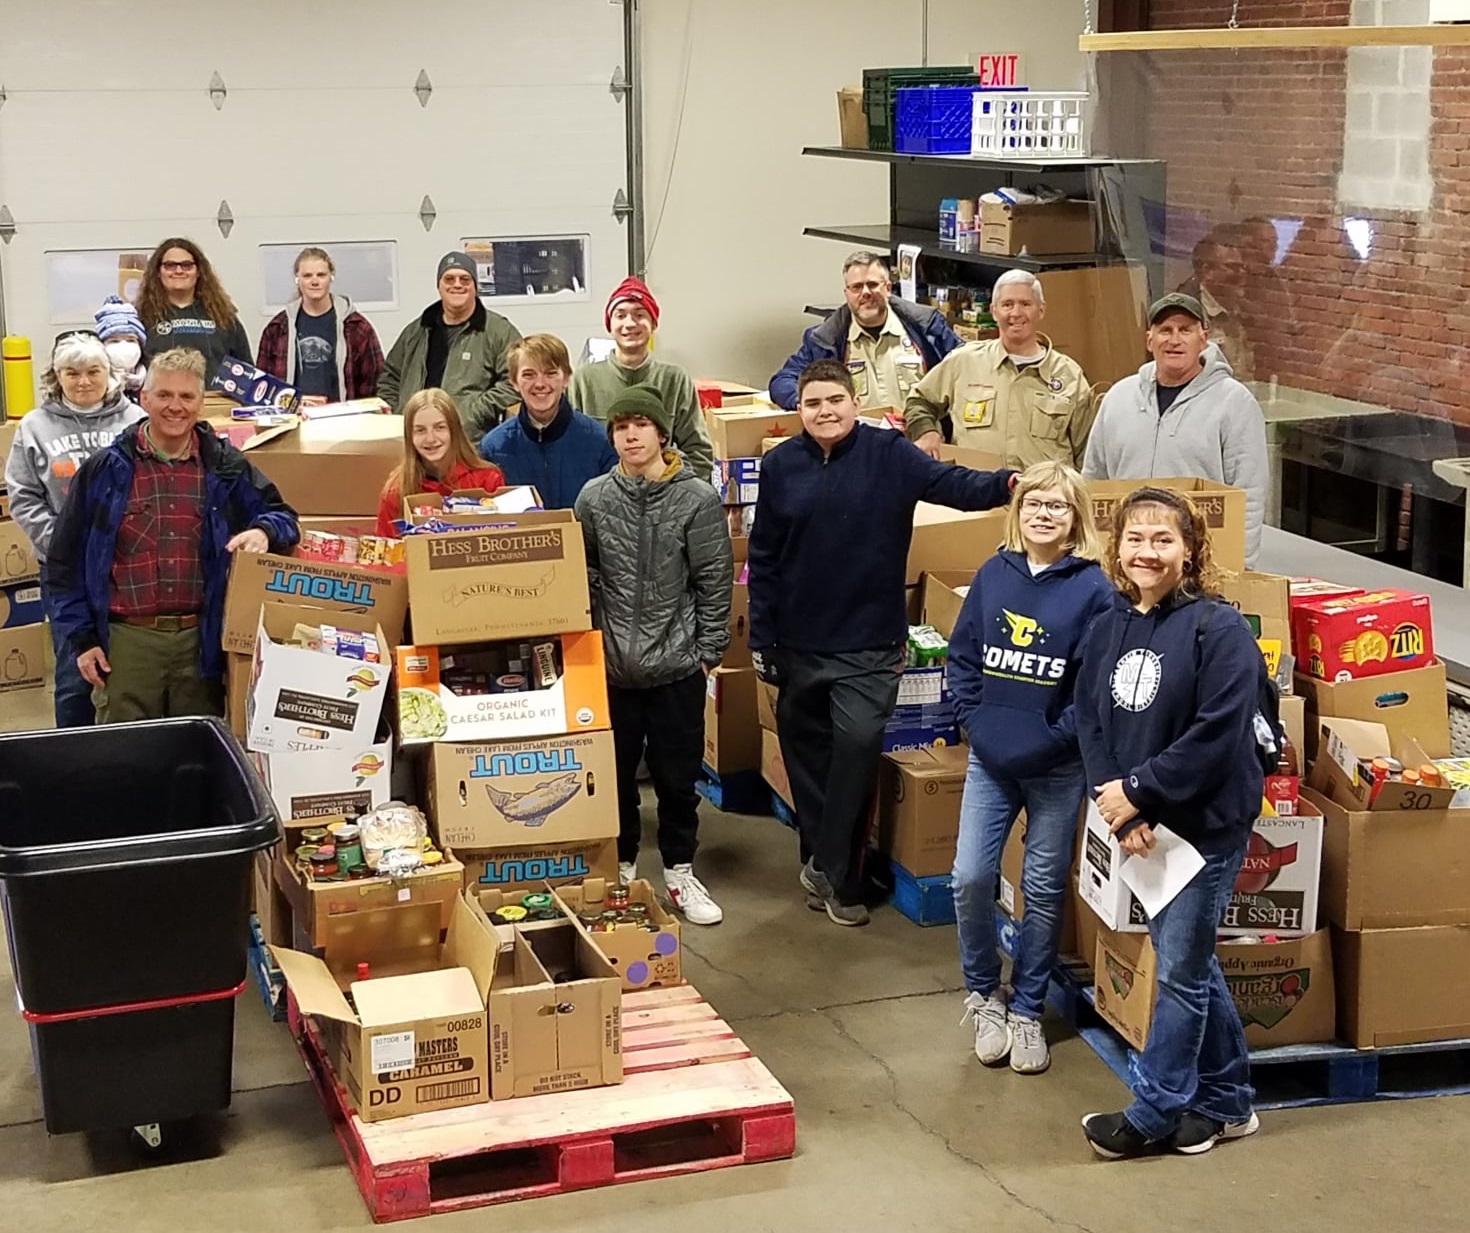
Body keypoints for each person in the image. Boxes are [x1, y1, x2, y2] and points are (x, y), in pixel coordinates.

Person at [747, 359, 1016, 927]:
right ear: (799, 411)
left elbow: (953, 485)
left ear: (854, 402)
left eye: (834, 401)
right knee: (808, 761)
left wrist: (1007, 485)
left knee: (856, 752)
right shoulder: (780, 466)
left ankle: (830, 870)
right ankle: (835, 876)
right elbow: (765, 555)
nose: (825, 412)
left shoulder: (889, 455)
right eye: (813, 404)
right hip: (798, 641)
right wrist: (763, 636)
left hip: (869, 643)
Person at [1075, 486, 1266, 1159]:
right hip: (1143, 827)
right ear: (1116, 548)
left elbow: (1217, 734)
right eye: (1136, 538)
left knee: (1181, 970)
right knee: (1193, 962)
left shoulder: (1222, 628)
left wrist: (1140, 793)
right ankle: (1229, 1102)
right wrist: (1118, 806)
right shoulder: (1108, 625)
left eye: (1163, 540)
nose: (1147, 552)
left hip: (1204, 827)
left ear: (1190, 550)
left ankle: (1155, 1110)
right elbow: (1091, 720)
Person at [946, 460, 1113, 1074]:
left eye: (1059, 506)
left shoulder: (1095, 589)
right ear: (1019, 512)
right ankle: (984, 994)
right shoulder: (995, 573)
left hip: (1056, 766)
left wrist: (1051, 738)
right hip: (991, 760)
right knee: (969, 877)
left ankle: (1027, 1007)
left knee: (1042, 888)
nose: (1045, 514)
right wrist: (978, 725)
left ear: (1077, 518)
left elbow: (1093, 690)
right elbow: (962, 660)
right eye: (1036, 503)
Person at [47, 348, 299, 723]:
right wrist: (82, 640)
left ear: (201, 403)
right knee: (127, 761)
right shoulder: (106, 471)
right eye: (164, 395)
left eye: (186, 396)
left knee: (194, 762)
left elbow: (284, 517)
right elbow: (62, 565)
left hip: (200, 643)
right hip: (127, 645)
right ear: (144, 398)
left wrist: (263, 531)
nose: (175, 407)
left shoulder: (224, 467)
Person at [575, 386, 732, 925]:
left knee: (676, 780)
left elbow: (714, 582)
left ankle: (680, 872)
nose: (631, 435)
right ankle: (618, 867)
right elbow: (585, 576)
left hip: (676, 669)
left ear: (662, 433)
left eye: (641, 424)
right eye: (621, 427)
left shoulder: (696, 499)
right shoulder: (593, 498)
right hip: (613, 670)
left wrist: (707, 652)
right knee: (613, 777)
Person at [4, 332, 145, 728]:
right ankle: (73, 751)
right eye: (72, 373)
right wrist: (61, 543)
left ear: (109, 374)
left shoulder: (134, 421)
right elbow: (24, 496)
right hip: (64, 570)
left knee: (131, 665)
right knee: (74, 669)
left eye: (93, 372)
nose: (83, 382)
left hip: (126, 566)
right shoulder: (34, 426)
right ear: (56, 376)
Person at [1083, 293, 1269, 567]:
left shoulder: (1234, 402)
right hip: (1125, 562)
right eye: (1165, 330)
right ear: (1149, 340)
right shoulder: (1118, 397)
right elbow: (1093, 482)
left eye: (1185, 330)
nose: (1174, 340)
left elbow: (1249, 495)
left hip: (1199, 565)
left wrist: (1240, 567)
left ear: (1203, 339)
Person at [905, 270, 1095, 469]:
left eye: (1025, 304)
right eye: (1007, 305)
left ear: (1041, 310)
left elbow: (1088, 455)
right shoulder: (964, 361)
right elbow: (919, 400)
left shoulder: (1069, 376)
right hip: (973, 494)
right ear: (994, 311)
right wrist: (926, 433)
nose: (1016, 313)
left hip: (1040, 496)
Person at [769, 251, 961, 412]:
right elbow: (783, 381)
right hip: (857, 448)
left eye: (872, 284)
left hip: (920, 445)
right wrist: (808, 402)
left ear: (887, 288)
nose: (865, 293)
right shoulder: (825, 340)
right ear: (847, 293)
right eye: (857, 287)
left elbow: (967, 366)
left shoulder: (927, 328)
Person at [568, 277, 714, 477]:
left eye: (639, 314)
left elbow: (699, 453)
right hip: (602, 500)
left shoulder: (675, 379)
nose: (630, 323)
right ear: (609, 325)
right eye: (620, 315)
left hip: (665, 499)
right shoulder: (584, 381)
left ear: (653, 324)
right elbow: (573, 453)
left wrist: (677, 492)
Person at [378, 251, 522, 437]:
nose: (457, 285)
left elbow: (516, 381)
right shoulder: (417, 330)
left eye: (465, 279)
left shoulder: (498, 331)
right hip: (416, 442)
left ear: (475, 286)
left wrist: (474, 412)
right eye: (449, 279)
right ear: (439, 285)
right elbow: (390, 378)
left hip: (467, 442)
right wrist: (401, 416)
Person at [480, 334, 617, 509]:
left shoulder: (599, 443)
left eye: (550, 373)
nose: (540, 384)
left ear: (566, 378)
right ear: (514, 382)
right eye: (529, 375)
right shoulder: (493, 448)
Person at [256, 246, 384, 405]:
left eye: (321, 275)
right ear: (298, 279)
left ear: (331, 277)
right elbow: (261, 387)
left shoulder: (357, 328)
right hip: (292, 420)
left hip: (343, 420)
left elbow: (374, 384)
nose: (314, 281)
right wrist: (293, 402)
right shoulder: (277, 329)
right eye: (307, 275)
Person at [375, 388, 506, 535]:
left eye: (440, 427)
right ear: (409, 436)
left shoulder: (488, 480)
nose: (431, 439)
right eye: (420, 430)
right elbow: (385, 550)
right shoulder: (396, 491)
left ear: (454, 430)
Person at [135, 238, 252, 375]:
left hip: (214, 396)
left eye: (187, 265)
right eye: (170, 265)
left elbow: (246, 371)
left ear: (199, 272)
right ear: (157, 272)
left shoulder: (223, 316)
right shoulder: (142, 317)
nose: (178, 271)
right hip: (162, 396)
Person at [1178, 228, 1254, 382]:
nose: (1242, 273)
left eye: (1242, 267)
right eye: (1233, 267)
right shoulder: (1184, 315)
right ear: (1207, 271)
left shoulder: (1242, 311)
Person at [94, 296, 149, 398]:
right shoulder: (93, 385)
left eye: (130, 340)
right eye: (114, 341)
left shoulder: (152, 382)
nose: (123, 346)